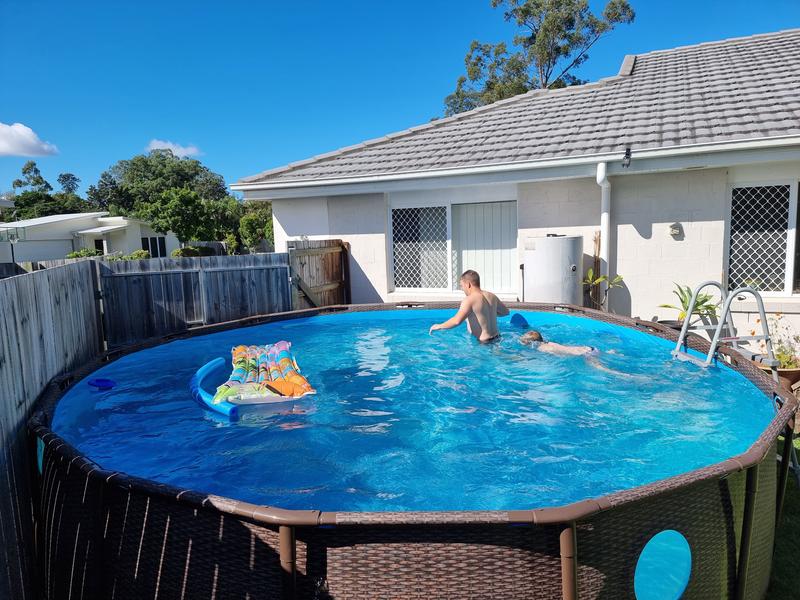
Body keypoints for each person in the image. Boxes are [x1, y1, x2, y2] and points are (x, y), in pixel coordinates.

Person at [429, 270, 509, 342]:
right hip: (498, 339)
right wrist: (487, 314)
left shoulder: (469, 300)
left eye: (462, 286)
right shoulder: (492, 296)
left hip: (484, 344)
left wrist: (439, 326)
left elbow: (456, 321)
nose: (462, 289)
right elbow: (505, 312)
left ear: (468, 284)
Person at [519, 330, 598, 356]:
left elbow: (559, 355)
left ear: (533, 342)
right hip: (588, 348)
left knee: (604, 370)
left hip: (586, 354)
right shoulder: (548, 342)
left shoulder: (542, 348)